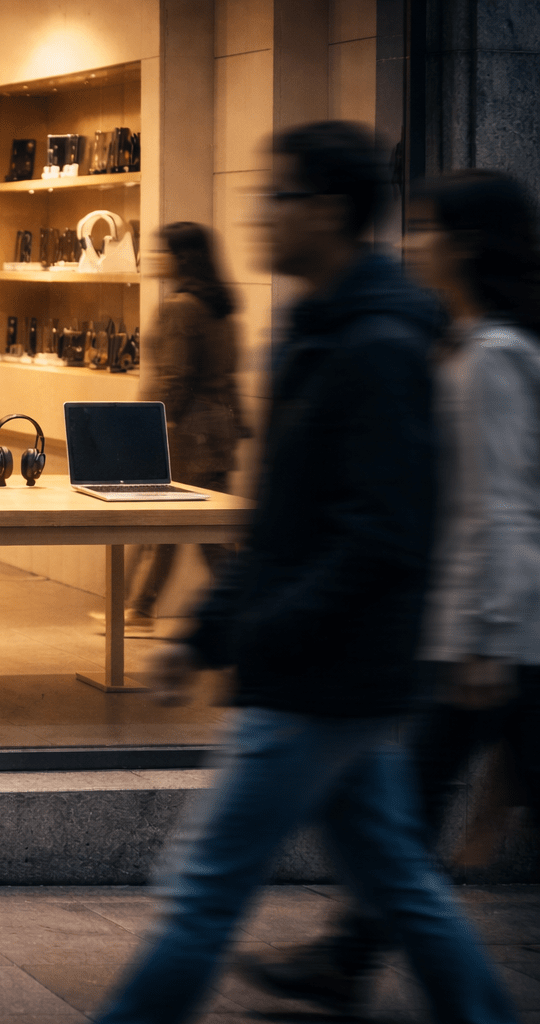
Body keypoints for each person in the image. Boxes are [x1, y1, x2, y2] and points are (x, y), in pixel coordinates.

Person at [94, 121, 516, 1024]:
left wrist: (257, 633)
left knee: (204, 889)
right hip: (336, 672)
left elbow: (379, 535)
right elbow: (284, 521)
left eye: (276, 196)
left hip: (320, 678)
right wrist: (205, 631)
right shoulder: (322, 333)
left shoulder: (376, 347)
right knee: (401, 883)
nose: (258, 215)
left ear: (328, 211)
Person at [240, 169, 540, 1016]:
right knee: (403, 806)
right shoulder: (465, 343)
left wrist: (485, 638)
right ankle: (352, 953)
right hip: (477, 627)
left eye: (431, 228)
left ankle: (353, 954)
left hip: (493, 634)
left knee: (406, 806)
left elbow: (502, 507)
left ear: (469, 244)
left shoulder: (493, 356)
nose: (415, 243)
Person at [122, 222, 244, 632]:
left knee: (180, 522)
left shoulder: (179, 307)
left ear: (181, 258)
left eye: (161, 250)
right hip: (217, 428)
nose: (153, 257)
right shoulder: (221, 308)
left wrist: (150, 427)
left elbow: (174, 378)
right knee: (197, 526)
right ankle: (139, 606)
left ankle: (141, 608)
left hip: (186, 431)